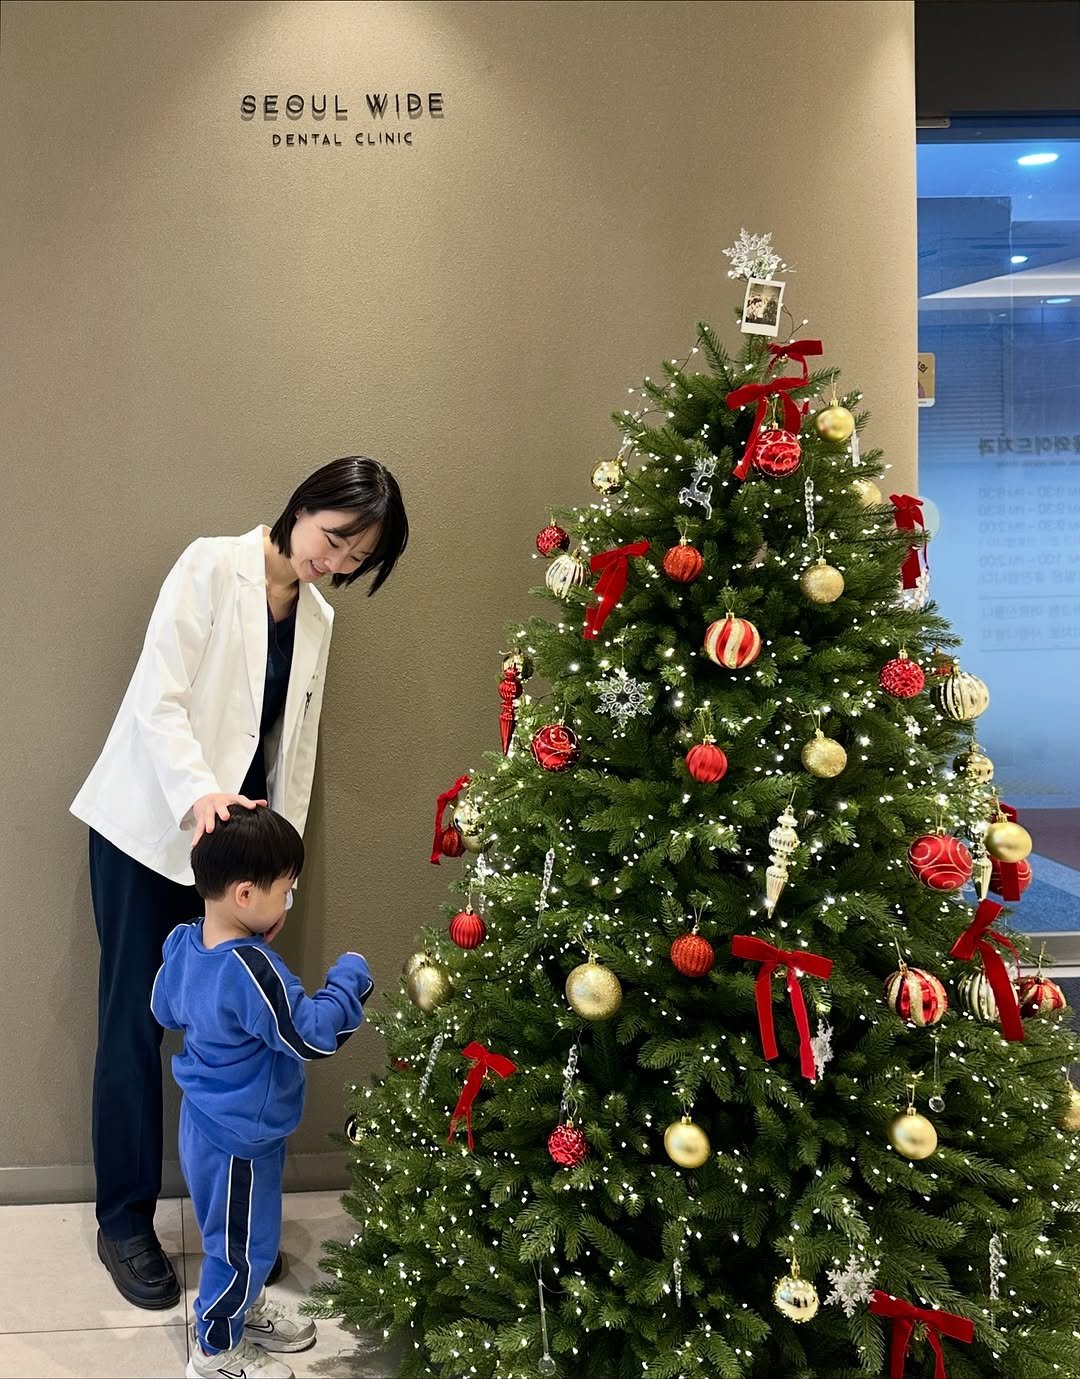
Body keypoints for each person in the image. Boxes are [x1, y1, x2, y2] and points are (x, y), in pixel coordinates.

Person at [70, 456, 407, 1308]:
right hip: (154, 832)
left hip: (238, 863)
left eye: (355, 560)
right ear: (305, 505)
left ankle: (229, 1226)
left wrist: (278, 866)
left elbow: (292, 748)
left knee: (237, 1029)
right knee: (135, 1024)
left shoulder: (319, 618)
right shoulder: (208, 566)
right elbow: (158, 699)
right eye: (335, 539)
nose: (334, 563)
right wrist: (201, 794)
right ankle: (124, 1220)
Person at [151, 807, 374, 1379]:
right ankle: (215, 1346)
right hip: (240, 1135)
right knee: (241, 1246)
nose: (288, 902)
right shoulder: (254, 968)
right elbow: (311, 1035)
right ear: (246, 894)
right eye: (287, 892)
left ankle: (241, 1310)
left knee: (235, 1231)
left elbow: (164, 1008)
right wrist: (350, 977)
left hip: (205, 1121)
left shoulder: (183, 944)